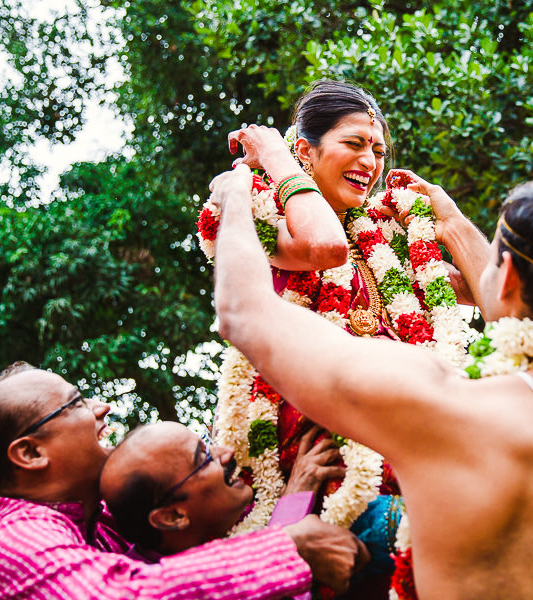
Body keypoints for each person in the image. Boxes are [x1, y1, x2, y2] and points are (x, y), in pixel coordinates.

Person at [208, 167, 533, 599]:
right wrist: (457, 225)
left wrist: (235, 195)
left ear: (505, 278)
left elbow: (244, 313)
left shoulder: (443, 404)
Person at [199, 80, 469, 595]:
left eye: (378, 149)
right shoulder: (263, 218)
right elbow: (323, 246)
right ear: (306, 150)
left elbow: (481, 291)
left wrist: (445, 221)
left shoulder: (382, 235)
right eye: (354, 143)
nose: (370, 160)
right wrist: (278, 159)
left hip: (408, 458)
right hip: (322, 475)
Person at [0, 362, 368, 600]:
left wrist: (291, 504)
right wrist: (289, 546)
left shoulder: (100, 522)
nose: (102, 407)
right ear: (31, 454)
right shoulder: (7, 541)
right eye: (75, 403)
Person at [100, 422, 344, 561]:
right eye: (205, 458)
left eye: (208, 442)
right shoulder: (152, 583)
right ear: (173, 516)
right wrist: (293, 504)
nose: (226, 453)